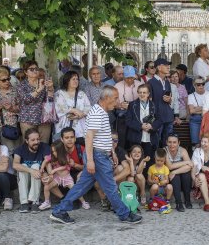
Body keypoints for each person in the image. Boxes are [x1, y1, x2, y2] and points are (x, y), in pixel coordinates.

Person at [51, 86, 142, 224]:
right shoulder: (97, 113)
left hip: (100, 155)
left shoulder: (101, 111)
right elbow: (89, 137)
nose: (117, 102)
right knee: (111, 186)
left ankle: (59, 211)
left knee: (81, 186)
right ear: (106, 98)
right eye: (115, 98)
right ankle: (124, 214)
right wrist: (91, 161)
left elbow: (103, 136)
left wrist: (112, 152)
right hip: (98, 157)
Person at [38, 141, 90, 211]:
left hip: (66, 178)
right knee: (47, 186)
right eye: (52, 151)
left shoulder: (66, 156)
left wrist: (54, 170)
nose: (53, 153)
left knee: (75, 189)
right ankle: (47, 202)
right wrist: (41, 168)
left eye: (55, 151)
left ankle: (83, 202)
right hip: (58, 177)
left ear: (60, 151)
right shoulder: (52, 156)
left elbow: (65, 166)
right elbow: (45, 161)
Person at [13, 128, 51, 213]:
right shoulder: (20, 149)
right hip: (25, 178)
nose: (36, 142)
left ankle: (35, 202)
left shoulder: (44, 147)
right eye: (33, 140)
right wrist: (31, 171)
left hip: (38, 177)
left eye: (38, 139)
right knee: (22, 166)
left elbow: (47, 161)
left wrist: (50, 174)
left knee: (36, 166)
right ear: (26, 141)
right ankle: (24, 203)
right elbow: (15, 164)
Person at [125, 84, 162, 170]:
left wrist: (151, 126)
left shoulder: (154, 105)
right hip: (136, 137)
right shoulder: (132, 105)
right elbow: (128, 121)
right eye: (140, 92)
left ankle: (147, 180)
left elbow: (160, 120)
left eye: (144, 92)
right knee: (135, 161)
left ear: (148, 93)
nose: (142, 94)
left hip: (150, 137)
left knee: (149, 160)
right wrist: (140, 126)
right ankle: (135, 180)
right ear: (137, 93)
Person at [17, 61, 54, 144]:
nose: (35, 71)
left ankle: (44, 158)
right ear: (26, 72)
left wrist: (51, 88)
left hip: (44, 119)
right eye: (31, 69)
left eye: (36, 69)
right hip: (27, 120)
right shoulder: (22, 85)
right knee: (29, 144)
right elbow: (26, 99)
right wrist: (38, 90)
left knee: (44, 144)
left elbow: (50, 100)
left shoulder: (43, 82)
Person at [0, 67, 21, 154]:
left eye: (8, 79)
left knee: (10, 150)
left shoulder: (15, 91)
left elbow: (21, 108)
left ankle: (11, 167)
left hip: (10, 125)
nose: (7, 81)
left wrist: (11, 108)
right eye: (4, 80)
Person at [54, 71, 91, 143]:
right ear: (67, 80)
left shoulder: (82, 94)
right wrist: (75, 110)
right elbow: (60, 108)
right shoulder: (59, 93)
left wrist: (81, 114)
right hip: (64, 128)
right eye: (73, 79)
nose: (76, 81)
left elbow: (88, 108)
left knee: (80, 149)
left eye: (77, 79)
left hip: (80, 129)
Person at [148, 58, 175, 145]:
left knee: (167, 144)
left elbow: (170, 98)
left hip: (168, 117)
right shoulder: (150, 82)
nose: (168, 67)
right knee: (156, 144)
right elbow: (149, 102)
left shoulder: (167, 82)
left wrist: (169, 99)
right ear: (159, 68)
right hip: (157, 118)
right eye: (166, 65)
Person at [114, 66, 142, 148]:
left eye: (132, 78)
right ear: (123, 76)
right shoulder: (117, 86)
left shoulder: (140, 85)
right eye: (127, 78)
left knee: (134, 139)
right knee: (122, 138)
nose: (130, 80)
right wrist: (120, 105)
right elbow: (112, 103)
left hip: (136, 115)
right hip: (122, 114)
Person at [164, 133, 193, 212]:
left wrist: (175, 171)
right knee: (175, 177)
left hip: (179, 173)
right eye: (170, 142)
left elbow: (190, 166)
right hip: (170, 176)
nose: (172, 144)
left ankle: (188, 200)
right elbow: (169, 167)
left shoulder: (182, 150)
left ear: (178, 143)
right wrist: (185, 162)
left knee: (186, 175)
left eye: (174, 142)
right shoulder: (164, 151)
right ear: (166, 142)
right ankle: (178, 203)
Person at [188, 76, 207, 149]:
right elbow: (191, 111)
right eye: (198, 84)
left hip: (207, 119)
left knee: (206, 142)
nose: (201, 86)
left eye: (203, 84)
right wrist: (204, 108)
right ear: (194, 85)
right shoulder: (191, 96)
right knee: (196, 144)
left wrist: (197, 108)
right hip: (195, 120)